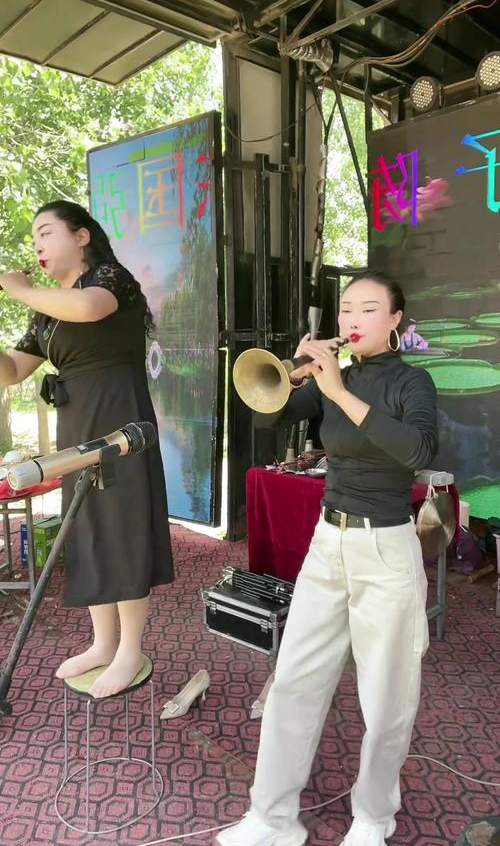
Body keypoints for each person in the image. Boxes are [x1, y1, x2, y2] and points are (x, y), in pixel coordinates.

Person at [218, 270, 438, 846]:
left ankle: (372, 818)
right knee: (294, 680)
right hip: (327, 543)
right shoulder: (328, 375)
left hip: (386, 549)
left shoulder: (412, 382)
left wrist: (339, 391)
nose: (352, 321)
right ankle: (271, 817)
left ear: (395, 321)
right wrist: (293, 376)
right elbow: (267, 416)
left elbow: (416, 449)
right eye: (345, 311)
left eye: (368, 310)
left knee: (386, 698)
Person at [0, 201, 174, 698]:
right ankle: (102, 643)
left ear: (80, 236)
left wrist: (18, 287)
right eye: (33, 236)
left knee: (123, 527)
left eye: (46, 231)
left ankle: (130, 650)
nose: (36, 243)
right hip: (76, 423)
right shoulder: (46, 312)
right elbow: (13, 370)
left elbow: (88, 307)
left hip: (119, 415)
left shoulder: (109, 277)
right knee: (89, 528)